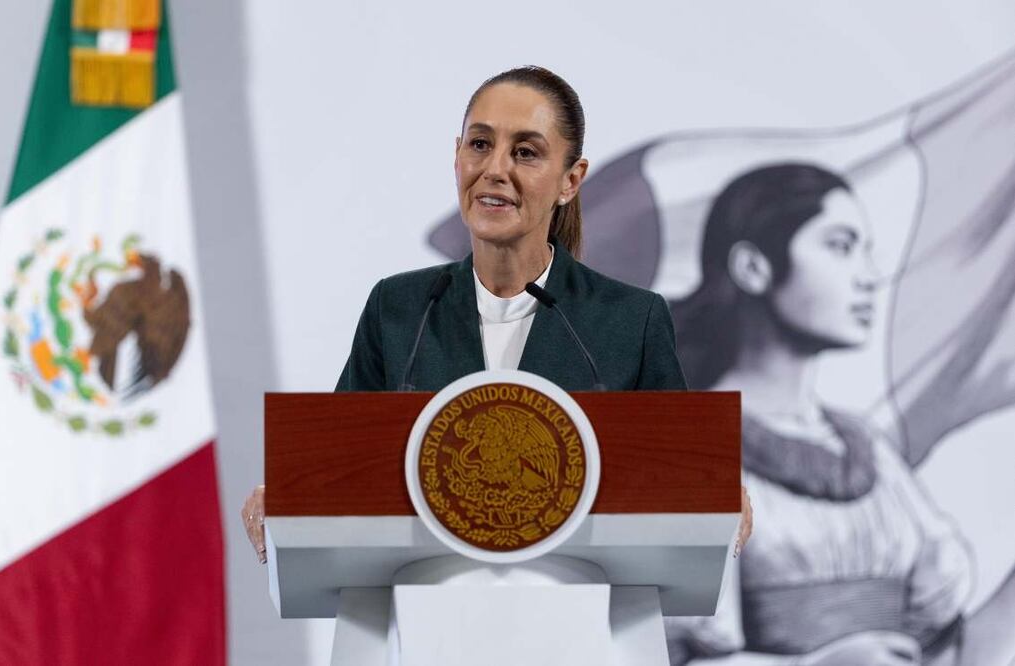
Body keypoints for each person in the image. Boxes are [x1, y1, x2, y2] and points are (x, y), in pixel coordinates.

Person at [242, 65, 752, 563]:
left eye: (525, 152)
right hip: (429, 620)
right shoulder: (397, 311)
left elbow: (677, 482)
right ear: (457, 156)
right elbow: (339, 471)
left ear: (570, 181)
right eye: (479, 144)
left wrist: (716, 498)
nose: (495, 169)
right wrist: (286, 498)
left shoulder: (630, 320)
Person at [664, 163, 1015, 665]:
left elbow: (954, 655)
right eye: (841, 246)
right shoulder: (679, 448)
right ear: (753, 268)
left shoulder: (868, 449)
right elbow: (652, 655)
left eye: (867, 252)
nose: (871, 277)